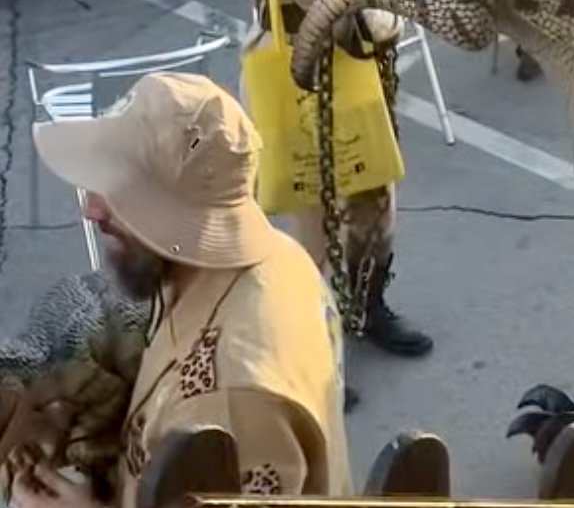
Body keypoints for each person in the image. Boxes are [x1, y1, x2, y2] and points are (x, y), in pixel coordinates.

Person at [11, 72, 352, 508]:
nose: (91, 208)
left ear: (180, 217)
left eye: (122, 192)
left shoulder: (229, 407)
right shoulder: (279, 256)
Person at [242, 0, 435, 401]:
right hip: (315, 72)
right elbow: (340, 15)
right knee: (321, 226)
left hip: (328, 69)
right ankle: (314, 351)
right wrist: (396, 19)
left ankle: (367, 309)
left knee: (371, 198)